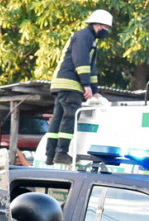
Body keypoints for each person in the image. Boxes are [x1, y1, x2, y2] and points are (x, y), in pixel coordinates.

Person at [45, 10, 112, 166]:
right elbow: (81, 62)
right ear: (98, 24)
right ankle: (61, 153)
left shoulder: (89, 39)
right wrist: (86, 85)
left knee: (58, 119)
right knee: (70, 116)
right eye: (106, 27)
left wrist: (94, 91)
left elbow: (91, 69)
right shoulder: (84, 36)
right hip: (70, 84)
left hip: (62, 84)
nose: (107, 31)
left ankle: (50, 155)